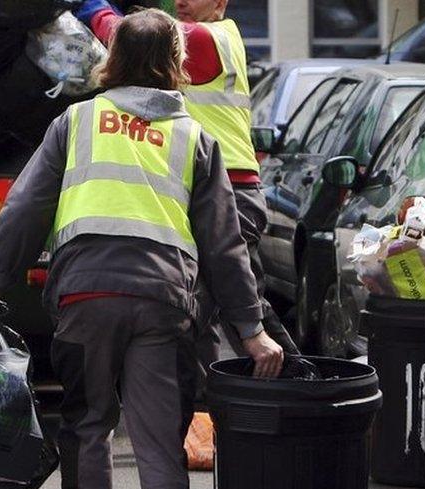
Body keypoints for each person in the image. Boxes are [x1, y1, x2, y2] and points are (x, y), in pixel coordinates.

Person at [0, 10, 283, 489]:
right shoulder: (197, 139)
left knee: (88, 430)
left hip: (86, 298)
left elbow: (26, 207)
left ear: (112, 61)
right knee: (160, 443)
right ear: (177, 64)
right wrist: (251, 329)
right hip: (164, 304)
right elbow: (224, 247)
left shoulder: (77, 121)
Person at [75, 0, 299, 389]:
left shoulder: (208, 38)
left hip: (229, 193)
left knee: (239, 304)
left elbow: (129, 36)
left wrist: (92, 6)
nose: (181, 1)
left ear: (220, 3)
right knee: (202, 313)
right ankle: (205, 410)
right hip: (206, 187)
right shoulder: (210, 35)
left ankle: (300, 384)